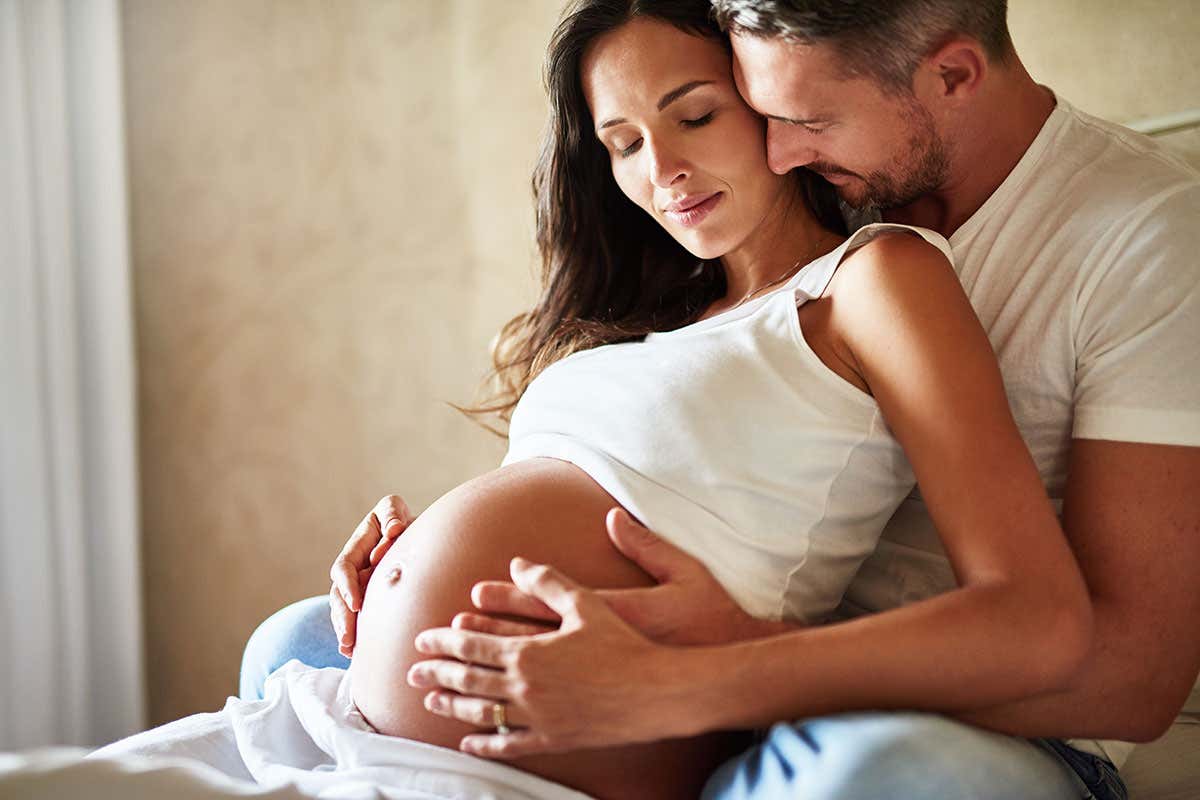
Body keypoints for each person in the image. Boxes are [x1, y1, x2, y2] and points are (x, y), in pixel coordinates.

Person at [243, 0, 1199, 798]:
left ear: (951, 76)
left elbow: (1131, 678)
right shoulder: (792, 228)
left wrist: (719, 668)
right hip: (730, 661)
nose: (780, 151)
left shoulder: (1134, 242)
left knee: (876, 770)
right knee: (294, 640)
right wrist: (418, 555)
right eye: (759, 107)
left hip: (944, 715)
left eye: (799, 119)